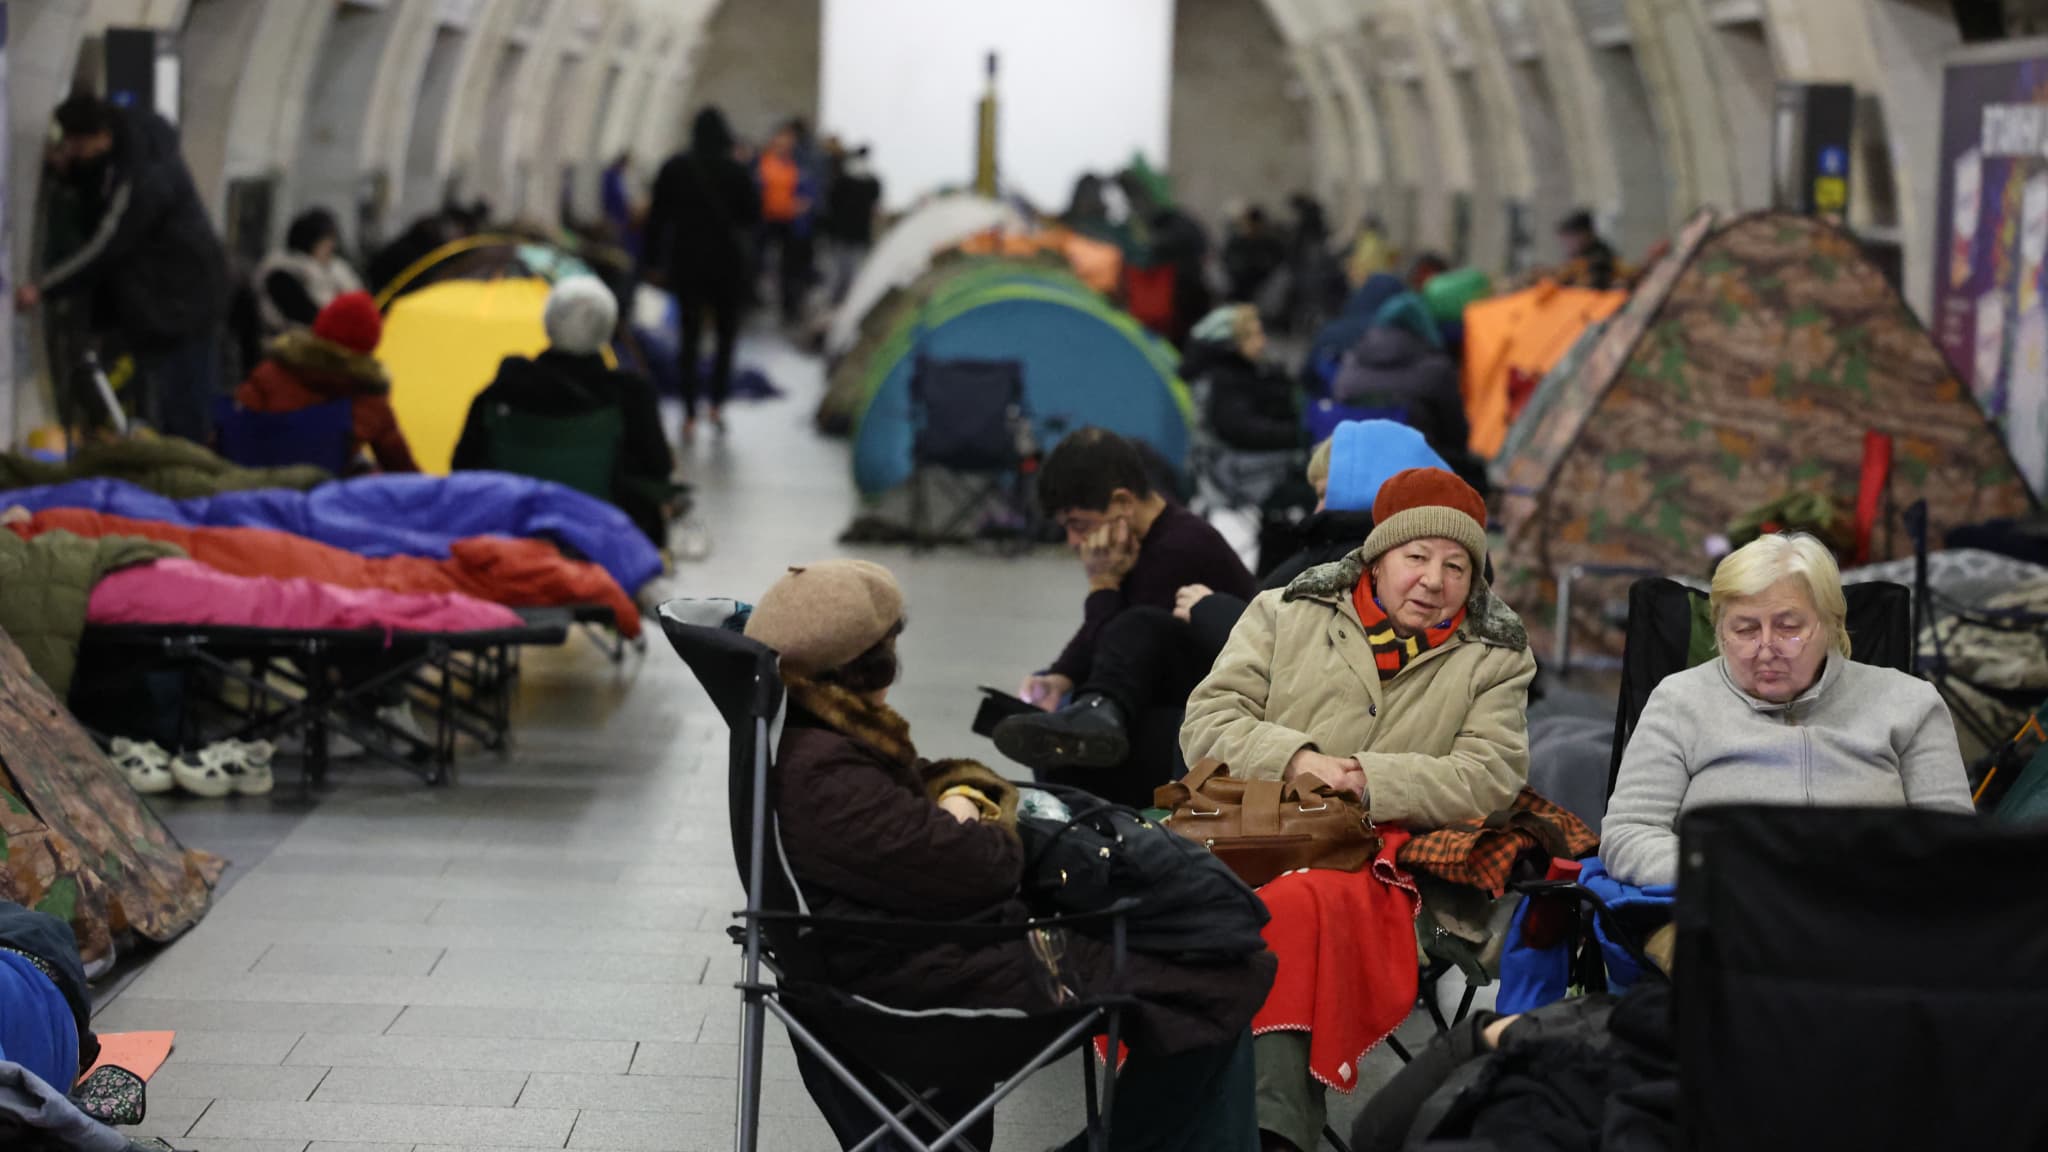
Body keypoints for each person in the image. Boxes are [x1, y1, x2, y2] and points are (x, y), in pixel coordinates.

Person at [747, 560, 1268, 1152]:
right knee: (1218, 973)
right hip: (922, 979)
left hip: (910, 952)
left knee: (1206, 951)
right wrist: (971, 805)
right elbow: (984, 867)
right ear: (874, 662)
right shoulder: (825, 772)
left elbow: (926, 798)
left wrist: (960, 795)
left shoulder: (809, 738)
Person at [1181, 468, 1538, 1151]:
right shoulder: (1283, 612)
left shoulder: (1496, 656)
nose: (1434, 580)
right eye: (1416, 557)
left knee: (1295, 908)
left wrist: (1367, 779)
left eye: (1456, 565)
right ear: (1376, 558)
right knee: (1182, 906)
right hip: (1253, 833)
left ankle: (1271, 1133)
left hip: (1395, 870)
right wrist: (1297, 759)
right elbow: (1208, 722)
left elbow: (1490, 775)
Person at [1601, 533, 1974, 888]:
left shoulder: (1910, 702)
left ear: (1831, 625)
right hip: (1727, 912)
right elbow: (1627, 835)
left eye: (1789, 628)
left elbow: (1954, 844)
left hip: (1872, 915)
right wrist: (1734, 869)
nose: (1766, 649)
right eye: (1745, 630)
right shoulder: (1679, 701)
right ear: (1719, 633)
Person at [993, 429, 1256, 797]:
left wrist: (1103, 584)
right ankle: (1089, 713)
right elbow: (1110, 650)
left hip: (1218, 716)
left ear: (1122, 502)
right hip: (1170, 693)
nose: (1073, 542)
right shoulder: (1145, 540)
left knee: (1071, 752)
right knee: (1056, 709)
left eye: (1078, 525)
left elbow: (1120, 640)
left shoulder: (1179, 549)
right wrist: (1060, 675)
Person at [16, 93, 228, 444]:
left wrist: (43, 288)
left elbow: (107, 243)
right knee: (170, 402)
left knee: (182, 407)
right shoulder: (129, 147)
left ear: (97, 136)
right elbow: (102, 190)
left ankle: (189, 481)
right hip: (170, 300)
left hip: (178, 303)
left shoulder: (144, 178)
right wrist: (74, 173)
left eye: (74, 145)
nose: (71, 152)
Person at [452, 276, 675, 546]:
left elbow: (462, 468)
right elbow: (658, 468)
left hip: (511, 533)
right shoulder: (631, 396)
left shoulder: (500, 393)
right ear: (607, 328)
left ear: (548, 323)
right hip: (604, 539)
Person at [645, 106, 760, 438]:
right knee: (726, 336)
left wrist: (653, 262)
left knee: (689, 336)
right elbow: (751, 217)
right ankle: (717, 404)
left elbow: (657, 219)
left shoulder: (675, 168)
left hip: (687, 260)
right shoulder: (737, 171)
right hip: (727, 263)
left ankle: (689, 411)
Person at [234, 290, 417, 473]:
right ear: (371, 342)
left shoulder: (271, 372)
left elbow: (231, 436)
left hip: (254, 485)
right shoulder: (368, 398)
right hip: (325, 494)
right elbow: (402, 467)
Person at [1186, 305, 1299, 453]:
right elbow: (1243, 429)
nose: (1262, 342)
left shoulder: (1249, 370)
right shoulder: (1225, 380)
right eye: (1253, 335)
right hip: (1238, 468)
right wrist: (1299, 433)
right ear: (1233, 342)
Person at [255, 208, 365, 338]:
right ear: (310, 242)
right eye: (326, 243)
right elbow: (310, 317)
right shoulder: (282, 274)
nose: (330, 248)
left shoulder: (333, 270)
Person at [755, 120, 815, 326]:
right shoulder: (763, 162)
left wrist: (802, 205)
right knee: (758, 262)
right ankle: (754, 298)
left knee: (790, 270)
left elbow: (807, 195)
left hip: (790, 223)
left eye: (788, 141)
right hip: (765, 221)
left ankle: (788, 307)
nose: (784, 144)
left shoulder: (799, 166)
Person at [822, 143, 881, 306]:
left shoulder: (843, 180)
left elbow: (831, 203)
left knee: (840, 268)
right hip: (855, 232)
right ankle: (844, 300)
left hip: (845, 232)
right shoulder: (871, 182)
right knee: (848, 268)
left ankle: (838, 300)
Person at [1222, 205, 1287, 305]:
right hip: (1240, 295)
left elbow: (1278, 268)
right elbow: (1228, 264)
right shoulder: (1237, 243)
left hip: (1265, 295)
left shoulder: (1271, 243)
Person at [1556, 209, 1619, 291]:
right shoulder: (1577, 260)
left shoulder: (1599, 262)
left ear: (1585, 236)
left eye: (1569, 238)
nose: (1565, 245)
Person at [599, 151, 643, 266]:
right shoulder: (611, 176)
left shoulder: (619, 178)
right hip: (613, 217)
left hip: (620, 219)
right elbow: (611, 198)